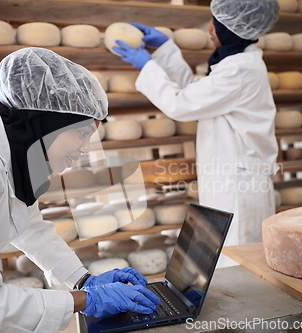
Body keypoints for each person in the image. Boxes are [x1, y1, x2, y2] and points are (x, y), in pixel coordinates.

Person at [0, 47, 159, 333]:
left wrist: (81, 280)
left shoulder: (7, 142)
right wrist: (87, 300)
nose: (85, 149)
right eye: (83, 133)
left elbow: (26, 224)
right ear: (46, 122)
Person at [113, 0, 280, 267]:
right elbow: (193, 92)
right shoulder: (233, 63)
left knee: (238, 267)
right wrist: (166, 49)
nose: (209, 26)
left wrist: (147, 66)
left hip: (239, 185)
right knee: (225, 263)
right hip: (229, 180)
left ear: (234, 28)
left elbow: (181, 105)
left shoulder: (240, 69)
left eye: (217, 21)